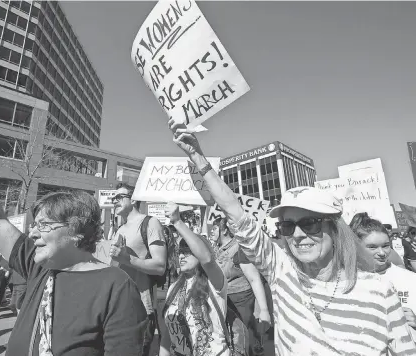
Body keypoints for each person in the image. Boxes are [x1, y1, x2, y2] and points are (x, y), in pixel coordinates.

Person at [168, 119, 416, 355]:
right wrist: (198, 157)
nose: (298, 235)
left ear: (334, 228)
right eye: (288, 226)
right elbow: (235, 211)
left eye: (310, 223)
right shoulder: (282, 272)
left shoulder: (380, 290)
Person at [0, 110, 148, 355]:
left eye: (45, 225)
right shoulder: (39, 266)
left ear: (77, 231)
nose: (34, 233)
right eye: (35, 224)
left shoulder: (117, 286)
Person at [160, 202, 228, 356]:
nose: (181, 255)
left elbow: (208, 260)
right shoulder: (174, 288)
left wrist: (177, 221)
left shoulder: (215, 283)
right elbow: (167, 334)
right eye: (180, 251)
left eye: (187, 251)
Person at [110, 182, 167, 355]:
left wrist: (127, 258)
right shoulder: (119, 229)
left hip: (141, 307)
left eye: (120, 197)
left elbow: (160, 266)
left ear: (133, 199)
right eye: (114, 198)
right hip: (117, 305)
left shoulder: (150, 223)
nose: (115, 201)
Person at [350, 212, 416, 341]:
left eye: (386, 246)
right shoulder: (346, 281)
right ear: (356, 247)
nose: (381, 253)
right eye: (372, 247)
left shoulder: (410, 279)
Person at [211, 217, 271, 356]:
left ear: (225, 229)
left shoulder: (239, 248)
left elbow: (254, 278)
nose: (212, 231)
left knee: (243, 337)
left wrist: (263, 309)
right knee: (231, 339)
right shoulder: (216, 248)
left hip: (241, 299)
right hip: (224, 299)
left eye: (215, 228)